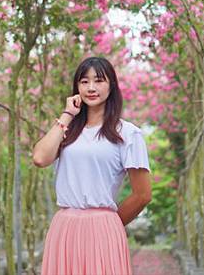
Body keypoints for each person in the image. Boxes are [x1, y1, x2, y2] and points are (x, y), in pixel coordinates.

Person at [32, 56, 152, 275]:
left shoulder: (127, 133)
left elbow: (142, 194)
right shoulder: (67, 131)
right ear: (77, 87)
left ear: (111, 86)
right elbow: (40, 158)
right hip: (64, 228)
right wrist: (67, 115)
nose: (91, 88)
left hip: (103, 229)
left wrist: (109, 223)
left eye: (98, 80)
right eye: (84, 81)